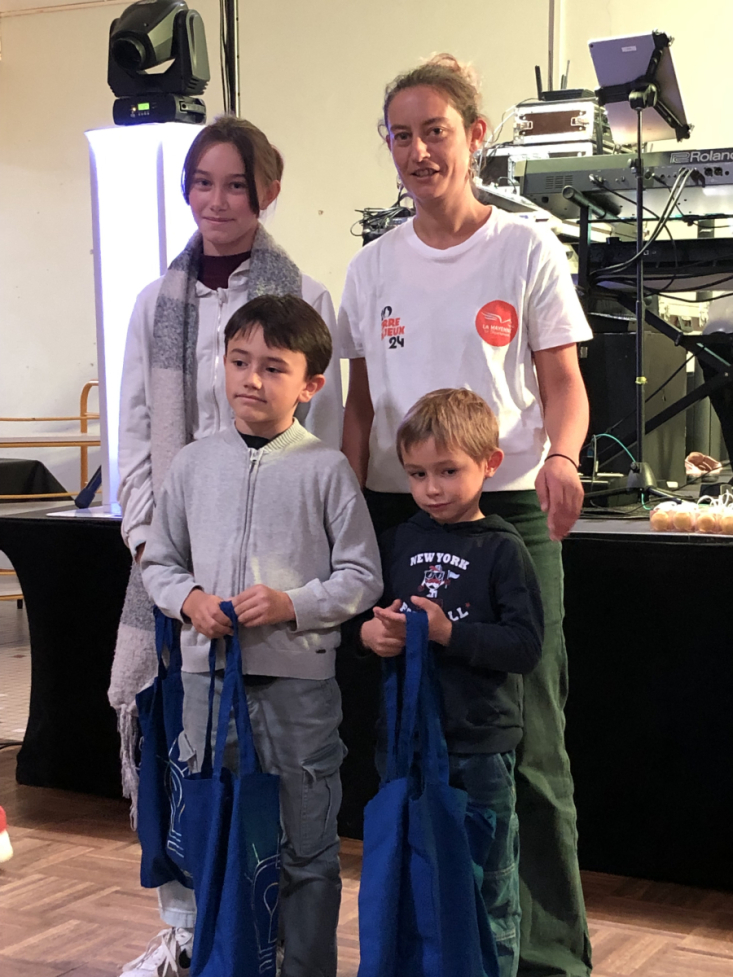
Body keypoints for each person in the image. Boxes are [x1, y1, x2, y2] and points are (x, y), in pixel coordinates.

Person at [339, 55, 594, 977]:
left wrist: (560, 456)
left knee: (525, 736)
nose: (416, 151)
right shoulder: (370, 269)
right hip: (403, 525)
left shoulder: (524, 249)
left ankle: (552, 957)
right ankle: (440, 941)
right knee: (416, 736)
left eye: (433, 130)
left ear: (474, 136)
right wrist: (350, 517)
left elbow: (565, 386)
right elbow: (359, 411)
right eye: (400, 135)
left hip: (512, 513)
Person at [108, 116, 345, 975]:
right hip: (176, 574)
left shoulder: (307, 299)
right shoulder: (152, 303)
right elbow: (132, 430)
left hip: (273, 591)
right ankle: (189, 932)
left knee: (278, 781)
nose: (217, 200)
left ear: (266, 192)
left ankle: (280, 946)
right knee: (183, 760)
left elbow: (323, 447)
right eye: (202, 183)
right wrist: (148, 544)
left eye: (235, 184)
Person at [129, 294, 382, 976]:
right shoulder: (190, 464)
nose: (250, 378)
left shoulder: (325, 470)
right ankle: (223, 961)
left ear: (310, 384)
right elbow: (160, 561)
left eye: (273, 367)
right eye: (239, 361)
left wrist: (289, 603)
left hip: (298, 691)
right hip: (206, 686)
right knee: (216, 837)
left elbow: (360, 575)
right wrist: (190, 600)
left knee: (304, 849)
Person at [361, 388, 543, 977]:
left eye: (448, 471)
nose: (431, 488)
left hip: (480, 747)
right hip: (410, 742)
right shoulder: (402, 540)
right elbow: (371, 621)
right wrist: (376, 637)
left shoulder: (504, 549)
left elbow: (524, 647)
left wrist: (446, 635)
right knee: (416, 880)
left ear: (489, 463)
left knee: (488, 890)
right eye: (417, 474)